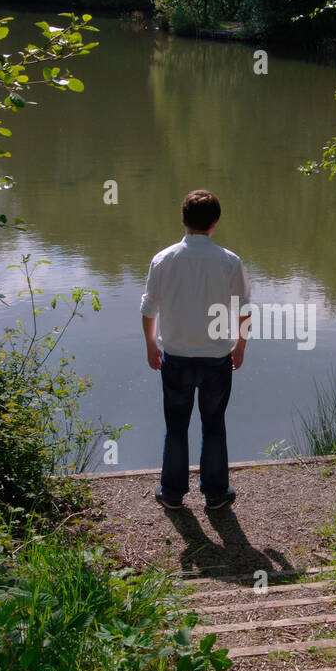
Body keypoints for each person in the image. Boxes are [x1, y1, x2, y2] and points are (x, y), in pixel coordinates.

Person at [140, 190, 250, 510]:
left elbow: (149, 309)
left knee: (176, 426)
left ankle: (172, 493)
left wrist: (150, 344)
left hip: (175, 358)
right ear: (215, 223)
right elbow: (243, 310)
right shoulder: (230, 261)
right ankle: (215, 493)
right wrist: (240, 345)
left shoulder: (163, 259)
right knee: (213, 424)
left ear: (183, 219)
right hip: (217, 358)